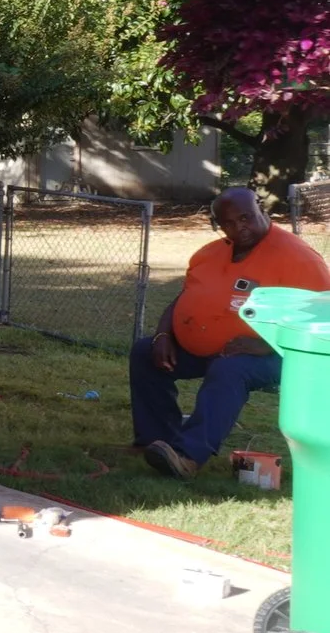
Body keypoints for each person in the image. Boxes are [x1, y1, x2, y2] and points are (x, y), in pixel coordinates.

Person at [130, 187, 330, 478]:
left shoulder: (298, 258)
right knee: (144, 352)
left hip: (274, 355)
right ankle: (154, 442)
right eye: (229, 223)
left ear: (261, 208)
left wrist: (265, 344)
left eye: (245, 218)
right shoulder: (210, 254)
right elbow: (184, 298)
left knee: (229, 370)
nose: (240, 227)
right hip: (207, 347)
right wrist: (164, 335)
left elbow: (323, 314)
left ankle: (188, 456)